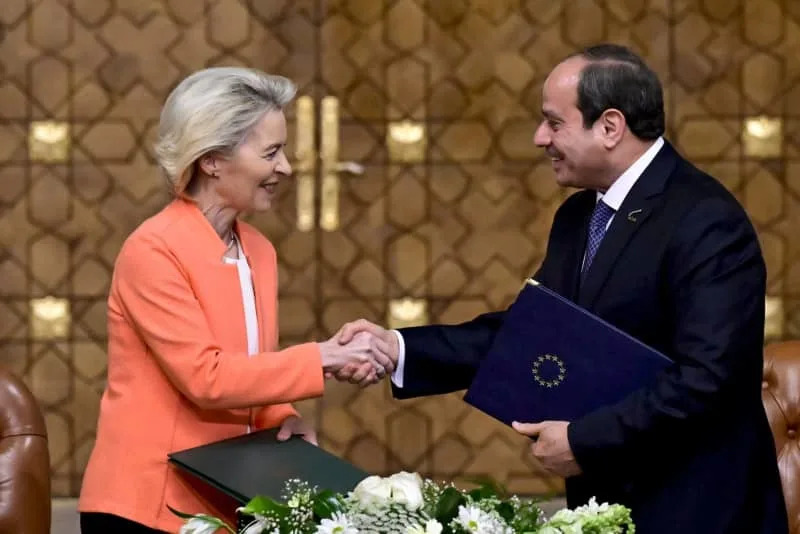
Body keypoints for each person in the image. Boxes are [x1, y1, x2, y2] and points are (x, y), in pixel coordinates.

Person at [335, 44, 788, 533]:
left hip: (697, 510)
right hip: (612, 502)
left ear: (610, 127)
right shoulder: (579, 214)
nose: (538, 138)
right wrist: (398, 348)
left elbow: (708, 379)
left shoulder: (705, 219)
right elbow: (534, 333)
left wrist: (585, 440)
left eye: (554, 123)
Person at [77, 67, 392, 533]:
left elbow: (251, 368)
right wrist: (323, 357)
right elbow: (206, 377)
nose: (285, 167)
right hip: (146, 505)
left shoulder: (259, 251)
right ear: (212, 160)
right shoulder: (153, 250)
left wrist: (283, 418)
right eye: (271, 152)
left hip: (225, 499)